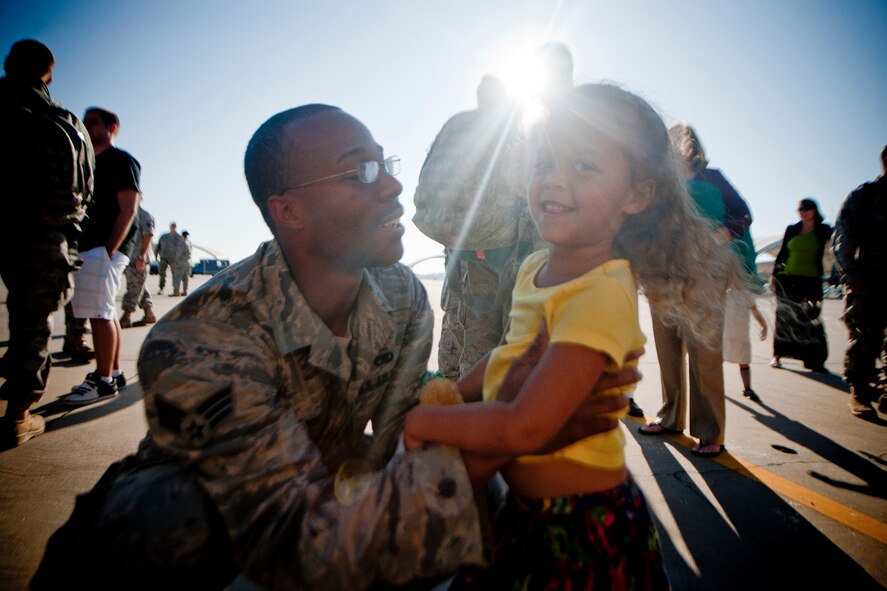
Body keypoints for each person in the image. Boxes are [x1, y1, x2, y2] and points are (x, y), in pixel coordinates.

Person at [32, 104, 638, 589]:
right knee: (168, 515)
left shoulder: (399, 295)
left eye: (386, 162)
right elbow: (298, 543)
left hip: (327, 481)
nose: (396, 186)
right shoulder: (199, 339)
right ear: (288, 210)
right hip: (229, 517)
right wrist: (518, 431)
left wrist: (513, 414)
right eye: (361, 172)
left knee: (500, 493)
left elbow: (408, 440)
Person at [404, 83, 740, 589]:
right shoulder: (536, 266)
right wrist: (456, 392)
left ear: (637, 194)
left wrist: (426, 419)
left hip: (582, 527)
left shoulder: (601, 291)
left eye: (583, 166)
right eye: (543, 164)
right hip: (524, 513)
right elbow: (508, 354)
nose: (554, 181)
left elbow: (525, 428)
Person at [639, 122, 752, 458]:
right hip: (664, 271)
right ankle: (670, 417)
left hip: (706, 271)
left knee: (705, 352)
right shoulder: (661, 184)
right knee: (667, 348)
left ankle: (710, 432)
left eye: (679, 142)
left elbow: (742, 213)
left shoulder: (713, 178)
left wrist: (720, 236)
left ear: (692, 146)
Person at [0, 40, 94, 446]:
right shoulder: (66, 122)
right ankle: (18, 416)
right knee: (32, 324)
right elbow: (83, 191)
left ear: (8, 64)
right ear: (49, 74)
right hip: (41, 235)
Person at [63, 107, 140, 406]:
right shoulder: (89, 162)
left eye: (94, 122)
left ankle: (103, 380)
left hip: (104, 248)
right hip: (92, 247)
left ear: (112, 128)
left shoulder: (121, 160)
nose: (87, 126)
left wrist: (108, 250)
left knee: (98, 314)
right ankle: (115, 372)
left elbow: (129, 207)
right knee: (104, 311)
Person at [833, 145, 887, 416]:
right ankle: (860, 392)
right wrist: (851, 274)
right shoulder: (865, 196)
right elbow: (843, 237)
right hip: (868, 281)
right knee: (865, 338)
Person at [770, 198, 833, 373]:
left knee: (812, 318)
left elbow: (836, 246)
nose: (802, 212)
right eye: (800, 209)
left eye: (806, 208)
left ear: (814, 210)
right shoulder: (792, 229)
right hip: (787, 279)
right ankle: (777, 356)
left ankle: (815, 361)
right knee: (785, 318)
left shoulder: (824, 230)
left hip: (811, 281)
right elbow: (783, 254)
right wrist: (774, 276)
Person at [724, 287, 768, 402]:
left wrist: (764, 325)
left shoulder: (746, 295)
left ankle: (747, 388)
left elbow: (755, 311)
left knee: (744, 363)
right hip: (725, 336)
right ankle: (714, 385)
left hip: (741, 337)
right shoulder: (724, 294)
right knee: (718, 361)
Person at [120, 205, 157, 328]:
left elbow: (148, 235)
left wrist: (141, 255)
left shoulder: (144, 215)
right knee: (140, 285)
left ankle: (126, 316)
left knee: (134, 287)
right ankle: (149, 314)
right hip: (128, 258)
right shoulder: (126, 212)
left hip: (137, 259)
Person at [154, 221, 179, 295]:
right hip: (163, 258)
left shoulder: (178, 237)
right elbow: (158, 247)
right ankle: (161, 288)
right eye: (172, 226)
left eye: (174, 226)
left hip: (173, 259)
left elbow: (181, 248)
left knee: (175, 274)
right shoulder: (163, 236)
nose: (173, 227)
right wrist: (156, 256)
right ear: (170, 226)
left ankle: (175, 289)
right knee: (162, 274)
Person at [170, 229, 192, 296]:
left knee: (177, 276)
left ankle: (176, 291)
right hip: (188, 262)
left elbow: (179, 253)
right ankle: (185, 291)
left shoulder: (182, 243)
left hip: (181, 262)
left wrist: (175, 261)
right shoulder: (189, 242)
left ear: (182, 235)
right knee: (185, 277)